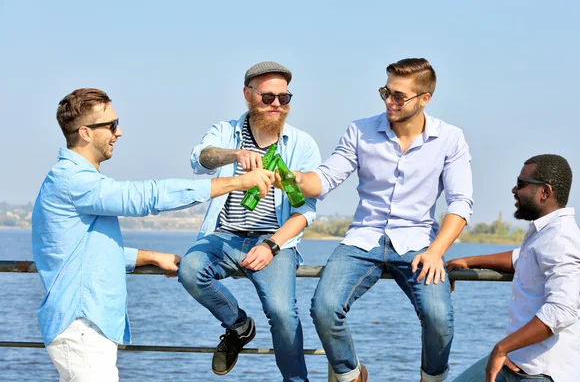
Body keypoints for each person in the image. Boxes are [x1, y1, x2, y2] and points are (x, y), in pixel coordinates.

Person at [32, 88, 275, 382]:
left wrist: (149, 257)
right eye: (111, 125)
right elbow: (146, 196)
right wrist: (237, 182)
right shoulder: (75, 181)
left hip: (87, 326)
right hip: (82, 326)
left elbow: (81, 253)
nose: (118, 132)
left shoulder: (75, 180)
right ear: (85, 132)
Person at [290, 58, 473, 382]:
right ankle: (351, 373)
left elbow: (460, 202)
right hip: (363, 238)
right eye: (386, 92)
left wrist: (435, 252)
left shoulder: (450, 138)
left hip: (418, 244)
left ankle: (431, 378)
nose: (390, 101)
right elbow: (324, 180)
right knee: (324, 307)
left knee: (439, 317)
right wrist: (291, 177)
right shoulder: (360, 131)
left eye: (399, 96)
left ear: (424, 99)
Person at [177, 61, 321, 382]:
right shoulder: (226, 132)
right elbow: (200, 158)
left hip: (274, 242)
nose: (276, 105)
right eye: (267, 97)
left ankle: (296, 381)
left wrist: (272, 245)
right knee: (189, 270)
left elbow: (305, 210)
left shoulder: (301, 144)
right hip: (224, 236)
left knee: (284, 315)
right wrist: (234, 155)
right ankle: (239, 327)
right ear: (248, 94)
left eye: (284, 99)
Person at [448, 154, 580, 382]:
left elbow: (561, 311)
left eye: (521, 184)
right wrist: (469, 261)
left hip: (541, 373)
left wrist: (501, 349)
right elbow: (521, 259)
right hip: (517, 360)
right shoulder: (546, 232)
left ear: (545, 192)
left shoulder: (561, 238)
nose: (513, 190)